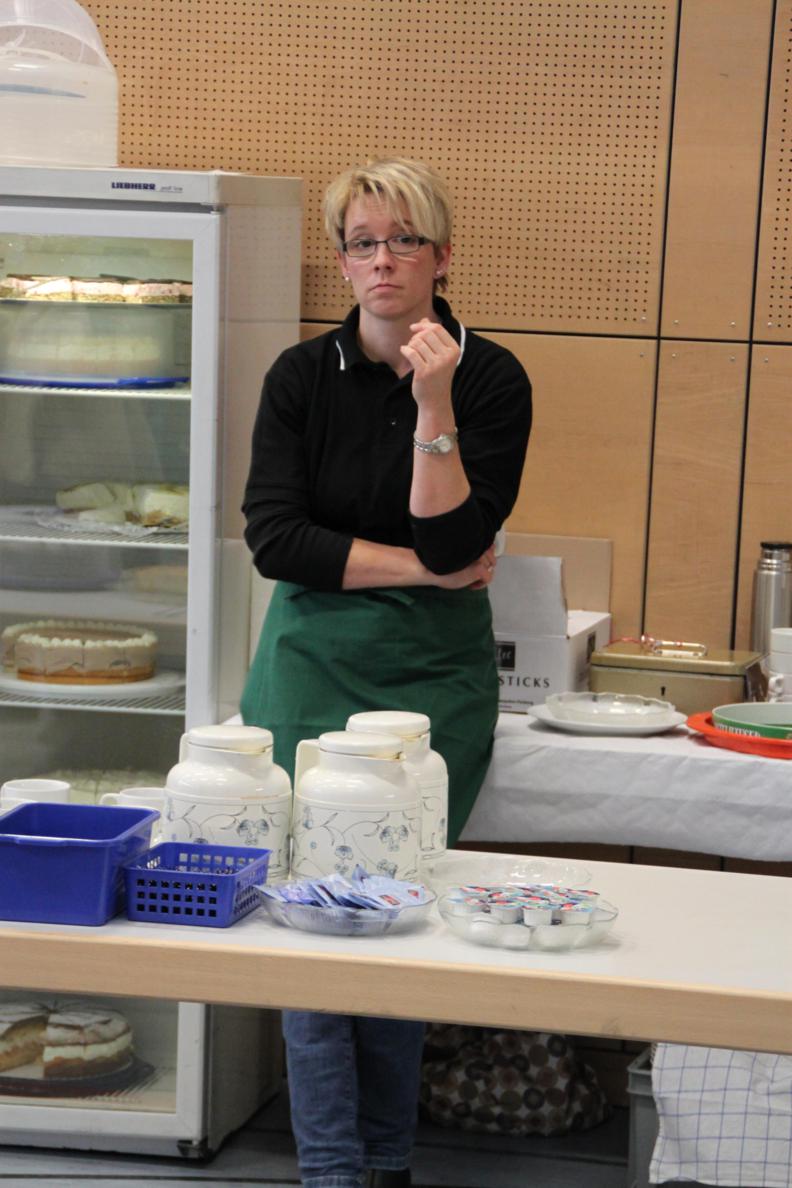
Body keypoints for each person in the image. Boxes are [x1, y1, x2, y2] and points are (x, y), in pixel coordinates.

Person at [241, 156, 532, 1188]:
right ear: (342, 261)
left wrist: (433, 398)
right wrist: (424, 569)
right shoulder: (298, 376)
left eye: (404, 240)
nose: (382, 261)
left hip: (431, 676)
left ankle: (389, 1158)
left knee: (402, 907)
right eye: (362, 242)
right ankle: (332, 1168)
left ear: (442, 257)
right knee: (312, 913)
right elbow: (277, 541)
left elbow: (452, 530)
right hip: (310, 660)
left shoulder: (490, 377)